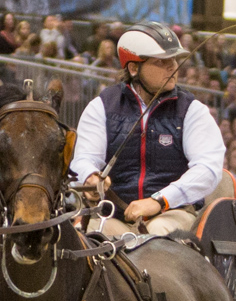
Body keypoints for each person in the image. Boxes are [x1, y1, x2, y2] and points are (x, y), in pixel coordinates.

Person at [70, 22, 223, 237]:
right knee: (92, 235)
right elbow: (84, 158)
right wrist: (91, 177)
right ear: (134, 68)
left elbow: (208, 168)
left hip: (173, 213)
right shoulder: (101, 106)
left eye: (174, 59)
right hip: (114, 216)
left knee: (157, 235)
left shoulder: (192, 110)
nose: (173, 67)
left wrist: (159, 200)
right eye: (161, 61)